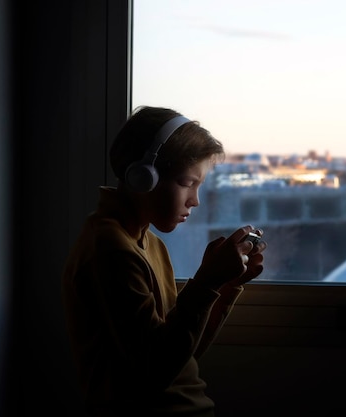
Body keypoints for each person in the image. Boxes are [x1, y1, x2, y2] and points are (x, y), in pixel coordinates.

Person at [61, 106, 266, 417]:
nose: (194, 200)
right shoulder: (112, 251)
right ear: (144, 177)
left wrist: (223, 285)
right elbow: (153, 370)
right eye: (187, 183)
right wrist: (206, 282)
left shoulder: (149, 243)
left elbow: (181, 356)